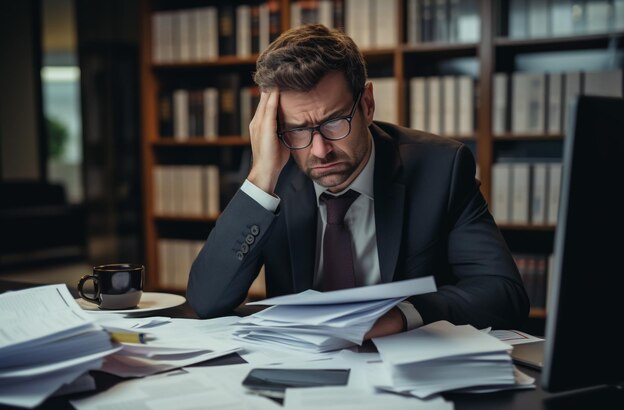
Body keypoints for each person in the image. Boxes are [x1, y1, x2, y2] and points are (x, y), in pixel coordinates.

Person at [187, 24, 529, 339]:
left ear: (366, 104)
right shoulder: (274, 173)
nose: (320, 150)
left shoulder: (441, 167)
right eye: (298, 129)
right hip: (300, 376)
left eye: (335, 121)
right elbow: (206, 300)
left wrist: (403, 314)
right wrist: (261, 178)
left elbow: (503, 294)